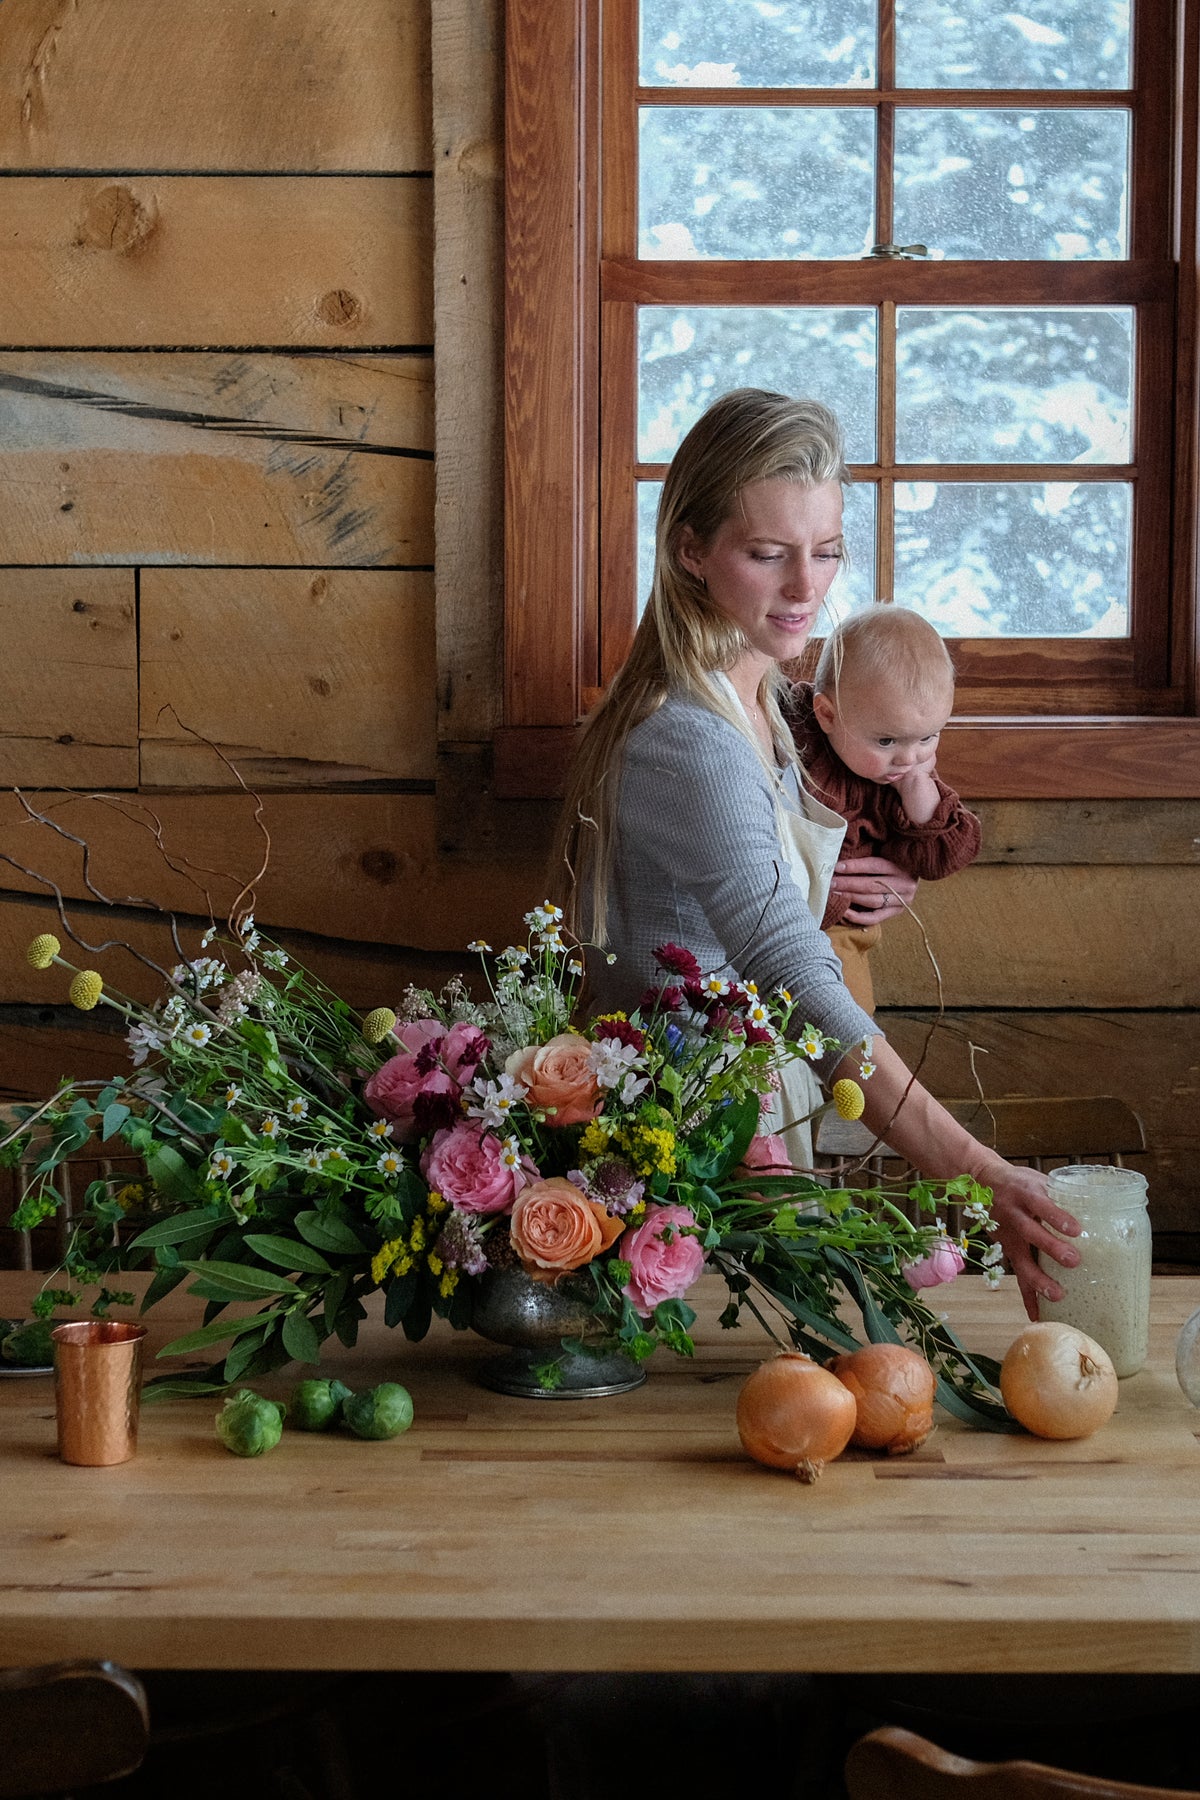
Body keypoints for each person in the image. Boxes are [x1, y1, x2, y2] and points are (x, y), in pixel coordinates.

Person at [553, 387, 1078, 1318]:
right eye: (768, 554)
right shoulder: (690, 734)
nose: (808, 587)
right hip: (687, 1139)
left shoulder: (767, 703)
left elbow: (740, 888)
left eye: (827, 551)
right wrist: (975, 1168)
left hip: (744, 1099)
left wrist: (829, 886)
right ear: (690, 550)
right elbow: (780, 961)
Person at [792, 605, 982, 1013]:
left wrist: (919, 791)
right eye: (886, 742)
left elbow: (944, 856)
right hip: (787, 919)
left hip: (840, 934)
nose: (908, 758)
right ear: (826, 714)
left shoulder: (903, 782)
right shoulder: (798, 728)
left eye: (928, 737)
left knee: (847, 1030)